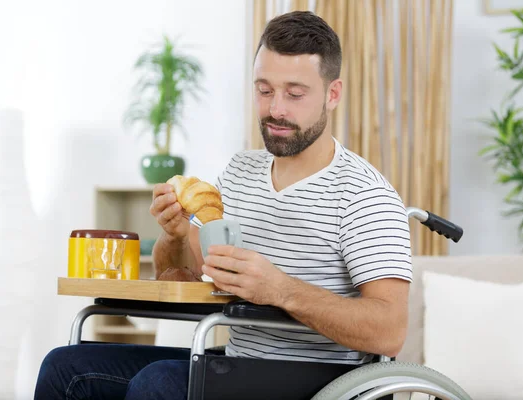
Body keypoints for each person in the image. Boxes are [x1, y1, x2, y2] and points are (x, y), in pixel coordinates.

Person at [33, 10, 412, 400]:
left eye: (295, 94)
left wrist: (281, 290)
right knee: (65, 367)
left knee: (159, 383)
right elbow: (178, 275)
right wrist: (176, 235)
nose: (276, 109)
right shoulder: (240, 172)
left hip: (319, 381)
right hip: (236, 365)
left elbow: (390, 331)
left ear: (332, 94)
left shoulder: (364, 195)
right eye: (264, 90)